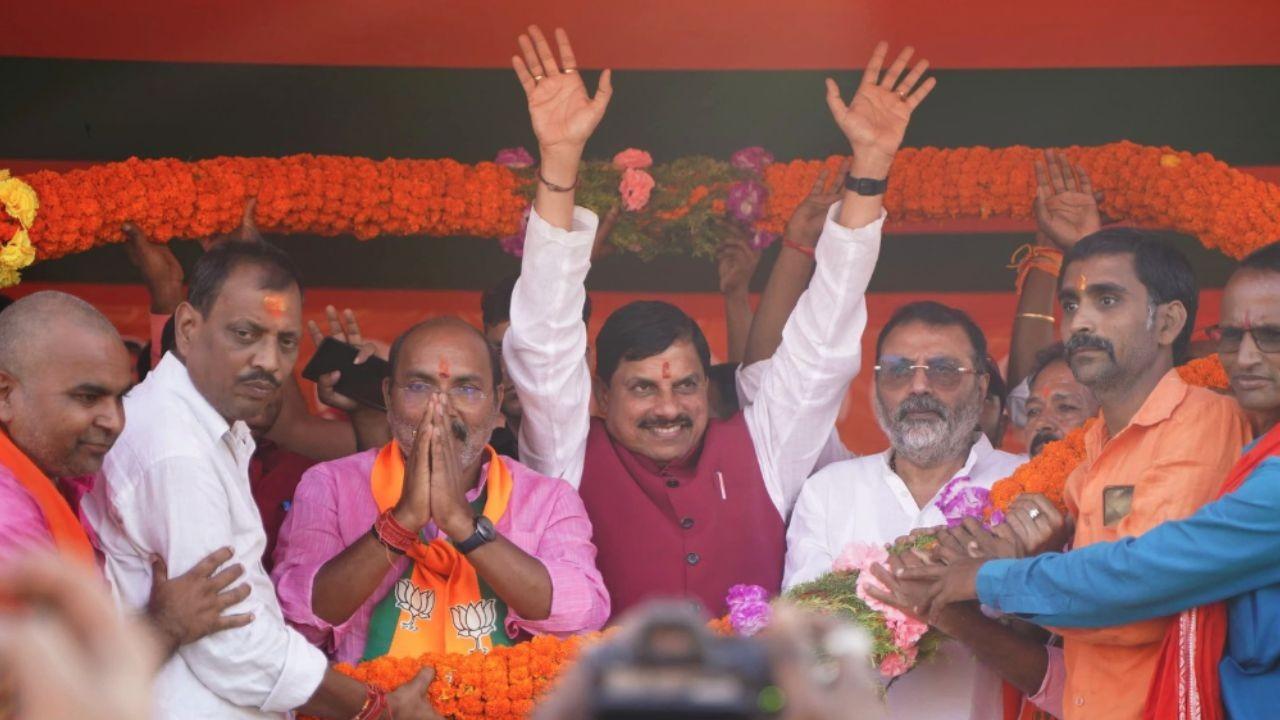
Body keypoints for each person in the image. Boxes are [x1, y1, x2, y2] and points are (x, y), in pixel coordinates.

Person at [503, 27, 934, 618]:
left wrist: (870, 171)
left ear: (707, 385)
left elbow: (823, 339)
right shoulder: (565, 455)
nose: (669, 408)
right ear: (600, 393)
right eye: (642, 388)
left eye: (684, 384)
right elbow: (544, 340)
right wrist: (558, 160)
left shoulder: (765, 448)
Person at [889, 242, 1280, 718]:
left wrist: (983, 578)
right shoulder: (1090, 454)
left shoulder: (1203, 425)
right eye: (1071, 305)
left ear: (1169, 323)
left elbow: (1140, 605)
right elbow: (1085, 666)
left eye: (1107, 300)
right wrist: (966, 594)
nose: (1080, 323)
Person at [84, 243, 439, 719]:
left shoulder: (199, 424)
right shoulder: (177, 452)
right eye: (246, 334)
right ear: (188, 328)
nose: (270, 362)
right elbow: (232, 645)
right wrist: (378, 710)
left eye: (286, 342)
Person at [273, 317, 608, 663]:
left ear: (496, 403)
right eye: (419, 387)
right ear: (388, 395)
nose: (442, 409)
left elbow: (580, 617)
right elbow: (296, 622)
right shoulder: (329, 485)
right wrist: (401, 522)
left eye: (466, 389)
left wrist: (463, 524)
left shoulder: (549, 498)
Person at [785, 301, 1026, 719]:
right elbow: (804, 635)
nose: (918, 387)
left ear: (983, 385)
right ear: (877, 385)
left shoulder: (1025, 486)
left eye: (944, 370)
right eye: (898, 370)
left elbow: (1056, 636)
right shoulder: (829, 491)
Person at [0, 291, 255, 656]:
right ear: (4, 393)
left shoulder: (55, 466)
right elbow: (53, 690)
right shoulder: (7, 516)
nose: (115, 421)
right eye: (87, 397)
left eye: (121, 397)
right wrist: (164, 626)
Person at [481, 272, 593, 458]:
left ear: (584, 360)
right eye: (500, 352)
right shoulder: (477, 463)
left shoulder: (618, 458)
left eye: (535, 352)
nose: (514, 368)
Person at [1022, 342, 1099, 457]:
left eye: (1065, 407)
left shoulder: (1130, 473)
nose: (1041, 423)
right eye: (1033, 411)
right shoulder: (1009, 474)